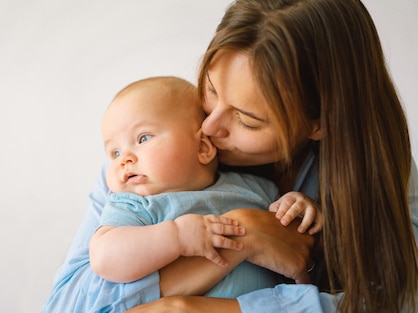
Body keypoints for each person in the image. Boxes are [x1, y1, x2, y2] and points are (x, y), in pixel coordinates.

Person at [124, 0, 418, 312]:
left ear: (318, 124)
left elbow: (401, 298)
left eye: (247, 120)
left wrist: (210, 309)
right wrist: (244, 232)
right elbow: (76, 298)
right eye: (211, 89)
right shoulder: (152, 154)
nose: (209, 126)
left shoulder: (380, 174)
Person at [91, 76, 320, 287]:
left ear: (202, 147)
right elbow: (104, 258)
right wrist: (177, 236)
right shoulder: (135, 205)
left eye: (143, 138)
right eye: (115, 153)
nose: (125, 160)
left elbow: (290, 240)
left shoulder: (254, 187)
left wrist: (295, 207)